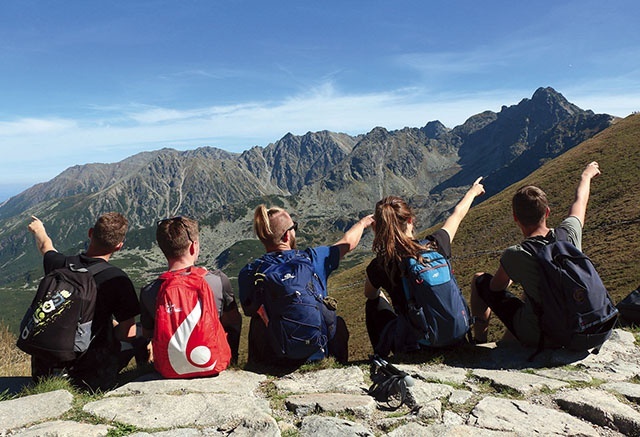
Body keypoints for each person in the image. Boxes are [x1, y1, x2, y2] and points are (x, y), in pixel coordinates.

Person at [470, 161, 601, 346]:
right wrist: (586, 176)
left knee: (479, 280)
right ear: (547, 212)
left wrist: (516, 275)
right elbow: (579, 202)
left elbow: (496, 288)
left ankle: (479, 342)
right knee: (534, 294)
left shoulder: (516, 254)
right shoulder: (569, 233)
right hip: (586, 328)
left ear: (516, 218)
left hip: (546, 336)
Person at [239, 205, 374, 366]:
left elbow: (248, 310)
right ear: (287, 235)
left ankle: (260, 363)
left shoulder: (250, 272)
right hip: (314, 355)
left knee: (257, 319)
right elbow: (347, 243)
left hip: (273, 359)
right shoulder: (312, 259)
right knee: (338, 322)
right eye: (294, 226)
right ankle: (335, 363)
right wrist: (364, 223)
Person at [364, 178, 486, 356]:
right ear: (411, 220)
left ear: (377, 229)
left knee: (373, 303)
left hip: (418, 345)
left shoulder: (381, 264)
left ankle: (382, 359)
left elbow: (369, 294)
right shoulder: (436, 244)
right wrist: (473, 192)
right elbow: (457, 214)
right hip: (457, 337)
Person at [27, 213, 140, 391]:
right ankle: (143, 372)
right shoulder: (117, 279)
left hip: (43, 371)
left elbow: (45, 246)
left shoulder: (61, 264)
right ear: (119, 246)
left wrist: (39, 229)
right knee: (140, 332)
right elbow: (128, 333)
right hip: (90, 378)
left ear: (90, 233)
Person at [140, 216, 242, 366]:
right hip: (213, 362)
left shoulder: (148, 291)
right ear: (193, 247)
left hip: (169, 368)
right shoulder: (218, 281)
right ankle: (230, 361)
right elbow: (233, 322)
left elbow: (148, 334)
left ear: (163, 250)